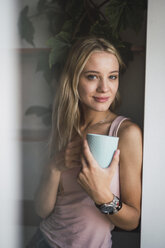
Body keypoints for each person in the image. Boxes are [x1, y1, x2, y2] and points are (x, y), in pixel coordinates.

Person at [27, 37, 143, 248]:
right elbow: (42, 211)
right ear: (74, 79)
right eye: (92, 77)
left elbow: (132, 220)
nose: (104, 88)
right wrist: (53, 167)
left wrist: (102, 195)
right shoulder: (64, 127)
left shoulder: (125, 133)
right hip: (44, 241)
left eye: (112, 76)